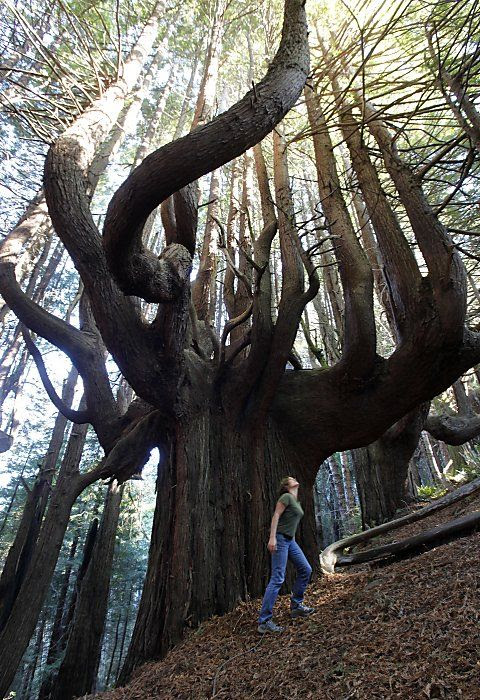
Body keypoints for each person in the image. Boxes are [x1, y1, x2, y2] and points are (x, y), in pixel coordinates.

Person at [258, 476, 314, 634]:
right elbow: (276, 516)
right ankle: (264, 621)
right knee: (277, 578)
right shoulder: (286, 497)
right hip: (280, 539)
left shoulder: (296, 501)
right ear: (287, 485)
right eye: (291, 479)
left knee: (306, 569)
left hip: (290, 541)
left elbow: (291, 523)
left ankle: (296, 606)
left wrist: (291, 539)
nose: (295, 479)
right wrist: (272, 537)